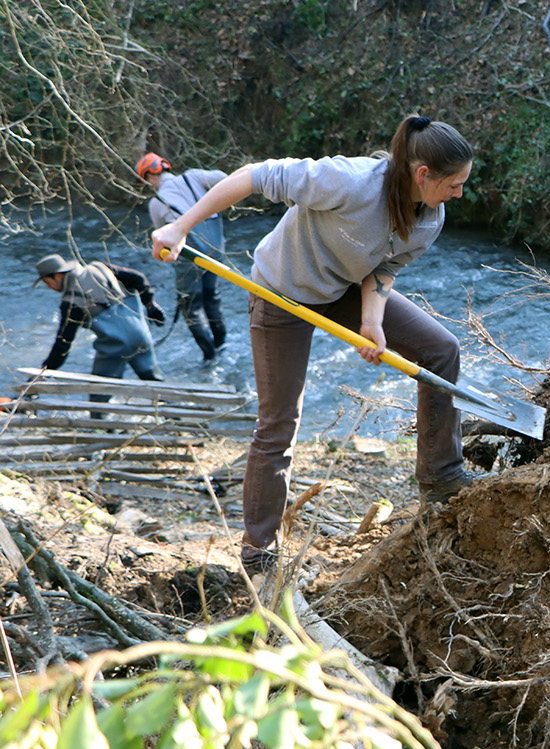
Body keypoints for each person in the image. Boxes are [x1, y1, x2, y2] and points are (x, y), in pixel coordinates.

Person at [150, 114, 477, 573]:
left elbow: (384, 269)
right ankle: (259, 551)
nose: (459, 194)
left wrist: (371, 321)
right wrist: (180, 226)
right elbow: (253, 176)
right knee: (279, 422)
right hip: (281, 292)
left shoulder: (431, 217)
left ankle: (440, 475)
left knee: (441, 350)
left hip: (341, 288)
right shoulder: (347, 180)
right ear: (423, 175)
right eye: (454, 184)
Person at [33, 253, 166, 407]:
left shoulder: (71, 302)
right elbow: (138, 278)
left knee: (100, 392)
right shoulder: (101, 268)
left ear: (58, 276)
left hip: (114, 346)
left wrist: (45, 371)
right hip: (141, 335)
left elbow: (63, 344)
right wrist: (150, 304)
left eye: (47, 282)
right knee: (155, 384)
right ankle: (174, 417)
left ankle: (101, 426)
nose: (48, 287)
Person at [137, 153, 231, 363]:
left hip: (189, 254)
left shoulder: (156, 202)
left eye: (146, 179)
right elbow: (228, 179)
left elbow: (163, 240)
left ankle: (209, 357)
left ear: (151, 175)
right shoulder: (194, 176)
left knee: (191, 306)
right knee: (212, 295)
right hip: (216, 248)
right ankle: (222, 345)